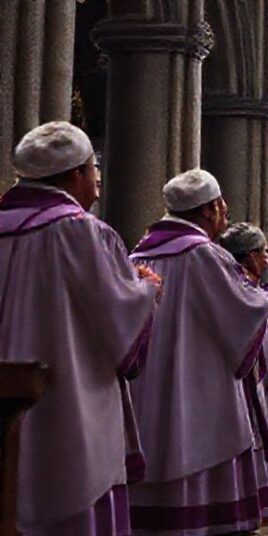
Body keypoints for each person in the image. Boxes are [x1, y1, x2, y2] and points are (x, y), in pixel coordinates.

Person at [0, 121, 161, 535]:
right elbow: (115, 316)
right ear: (76, 174)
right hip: (67, 395)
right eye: (94, 172)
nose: (97, 183)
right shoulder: (81, 231)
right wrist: (145, 288)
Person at [128, 169, 268, 535]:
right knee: (194, 445)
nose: (226, 212)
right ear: (209, 210)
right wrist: (259, 297)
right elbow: (245, 310)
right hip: (199, 382)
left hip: (145, 384)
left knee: (153, 438)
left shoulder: (137, 254)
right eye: (222, 205)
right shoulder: (205, 255)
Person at [221, 222, 268, 516]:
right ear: (249, 256)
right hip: (247, 379)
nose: (267, 260)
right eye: (264, 253)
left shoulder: (249, 289)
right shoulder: (243, 292)